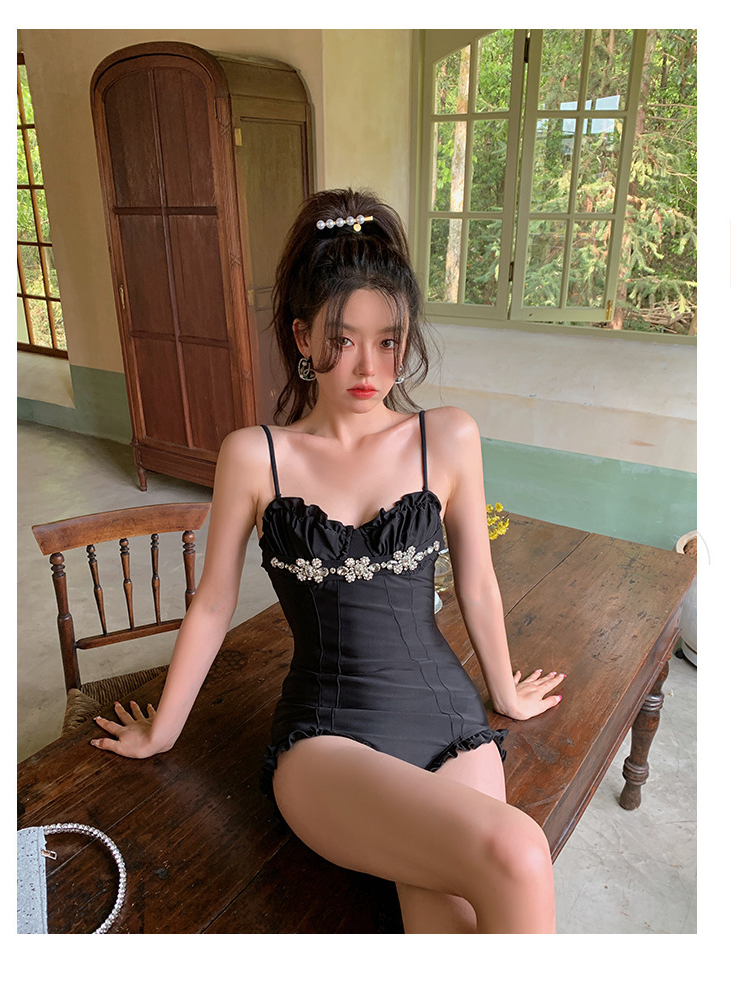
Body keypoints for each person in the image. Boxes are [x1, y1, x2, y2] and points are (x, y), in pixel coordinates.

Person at [90, 188, 565, 934]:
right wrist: (164, 731)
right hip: (327, 736)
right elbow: (213, 603)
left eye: (389, 340)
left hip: (447, 720)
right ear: (303, 337)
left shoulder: (448, 437)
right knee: (519, 852)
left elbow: (476, 580)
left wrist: (503, 691)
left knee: (452, 921)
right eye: (343, 340)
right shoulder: (256, 456)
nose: (368, 366)